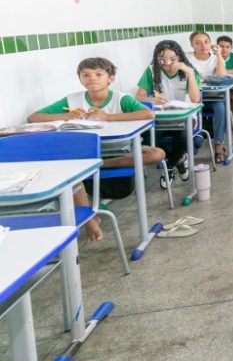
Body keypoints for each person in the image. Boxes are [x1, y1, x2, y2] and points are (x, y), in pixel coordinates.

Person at [27, 57, 165, 241]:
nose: (92, 78)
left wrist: (108, 117)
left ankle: (98, 165)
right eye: (86, 75)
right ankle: (90, 221)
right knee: (70, 170)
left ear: (111, 78)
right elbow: (33, 117)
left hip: (118, 152)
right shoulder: (73, 99)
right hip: (82, 153)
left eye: (98, 74)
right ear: (80, 79)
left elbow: (148, 113)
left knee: (157, 154)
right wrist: (66, 116)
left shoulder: (120, 98)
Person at [135, 40, 203, 175]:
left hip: (186, 117)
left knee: (183, 136)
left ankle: (170, 165)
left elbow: (195, 99)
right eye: (162, 59)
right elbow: (138, 97)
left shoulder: (189, 71)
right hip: (161, 117)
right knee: (146, 137)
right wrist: (152, 100)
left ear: (179, 57)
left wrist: (190, 73)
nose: (167, 63)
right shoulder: (151, 71)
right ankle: (178, 158)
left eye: (172, 59)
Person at [188, 30, 229, 163]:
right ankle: (190, 146)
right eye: (198, 43)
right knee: (189, 110)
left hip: (212, 97)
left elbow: (221, 76)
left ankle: (218, 146)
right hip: (192, 99)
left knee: (220, 108)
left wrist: (219, 54)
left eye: (206, 42)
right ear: (192, 45)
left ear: (211, 43)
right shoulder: (186, 58)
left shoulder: (215, 58)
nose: (203, 45)